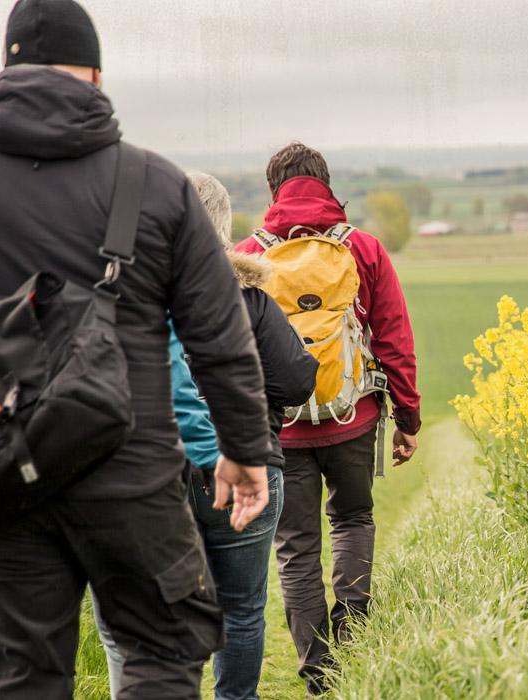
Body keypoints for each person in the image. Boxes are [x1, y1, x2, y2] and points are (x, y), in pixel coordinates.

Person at [0, 2, 273, 698]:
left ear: (4, 69)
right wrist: (243, 451)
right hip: (133, 477)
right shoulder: (157, 184)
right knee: (162, 651)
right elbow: (221, 337)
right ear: (96, 73)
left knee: (25, 679)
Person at [93, 173, 319, 699]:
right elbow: (296, 381)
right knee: (241, 608)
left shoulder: (127, 295)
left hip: (150, 475)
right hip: (249, 469)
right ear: (221, 226)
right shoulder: (252, 301)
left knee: (133, 613)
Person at [234, 142, 421, 694]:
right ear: (327, 185)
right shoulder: (362, 248)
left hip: (281, 428)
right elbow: (393, 340)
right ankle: (355, 637)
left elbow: (231, 350)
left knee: (295, 545)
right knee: (353, 519)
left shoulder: (248, 255)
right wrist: (408, 417)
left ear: (274, 191)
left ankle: (318, 672)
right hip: (354, 416)